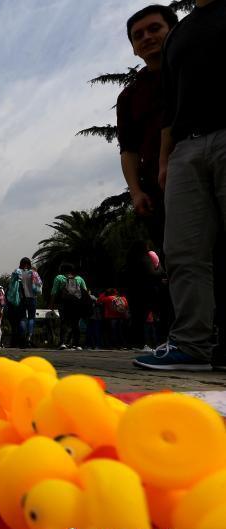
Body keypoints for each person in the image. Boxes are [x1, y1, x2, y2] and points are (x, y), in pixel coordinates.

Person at [135, 0, 226, 370]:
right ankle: (191, 343)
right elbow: (171, 107)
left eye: (150, 30)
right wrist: (164, 160)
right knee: (183, 251)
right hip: (185, 149)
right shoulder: (179, 35)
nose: (146, 38)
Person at [117, 5, 180, 257]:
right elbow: (128, 149)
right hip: (159, 188)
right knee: (178, 257)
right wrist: (136, 191)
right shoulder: (129, 95)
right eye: (138, 35)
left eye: (155, 28)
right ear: (133, 48)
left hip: (208, 166)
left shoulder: (192, 69)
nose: (146, 37)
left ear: (174, 30)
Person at [50, 263, 89, 350]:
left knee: (63, 322)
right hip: (76, 304)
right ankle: (77, 344)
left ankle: (63, 343)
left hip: (63, 304)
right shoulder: (79, 279)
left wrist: (52, 304)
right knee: (75, 323)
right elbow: (85, 292)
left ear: (62, 270)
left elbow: (54, 292)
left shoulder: (59, 278)